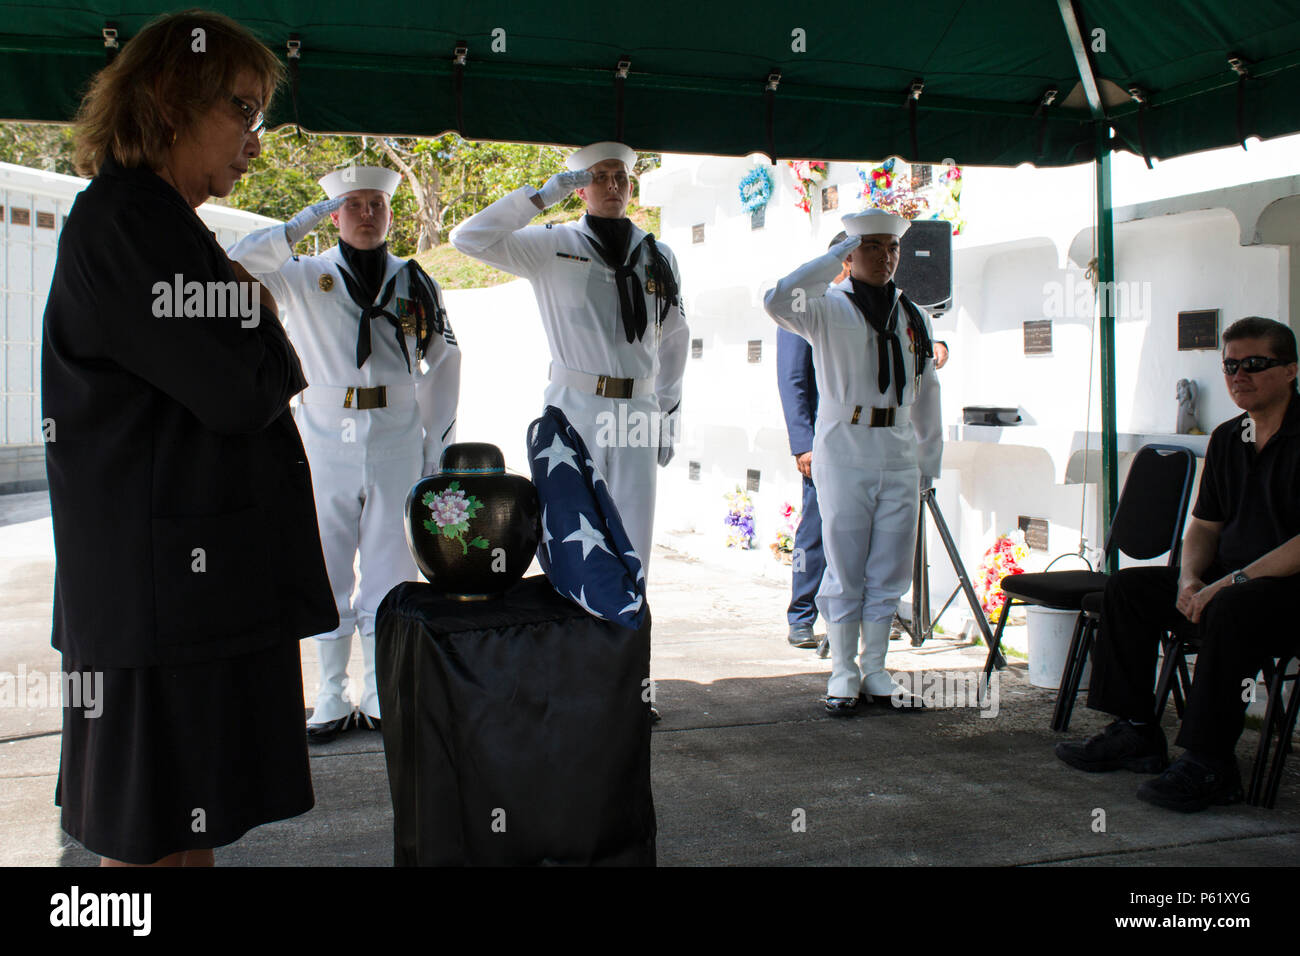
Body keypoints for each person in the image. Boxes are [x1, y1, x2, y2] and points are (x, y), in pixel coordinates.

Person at [42, 10, 337, 865]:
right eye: (241, 111)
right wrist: (263, 310)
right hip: (158, 604)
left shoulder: (158, 220)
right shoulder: (130, 220)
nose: (255, 140)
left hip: (174, 597)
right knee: (151, 843)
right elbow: (239, 388)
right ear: (172, 99)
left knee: (179, 831)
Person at [229, 169, 461, 743]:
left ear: (389, 212)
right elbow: (238, 263)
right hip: (325, 430)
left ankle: (381, 693)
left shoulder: (415, 280)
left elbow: (447, 357)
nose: (365, 213)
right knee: (325, 562)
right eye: (351, 205)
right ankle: (330, 696)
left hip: (395, 429)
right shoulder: (303, 274)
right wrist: (298, 221)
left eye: (376, 203)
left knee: (390, 564)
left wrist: (438, 439)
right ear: (333, 214)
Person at [1056, 316, 1300, 812]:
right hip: (1229, 581)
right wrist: (1190, 579)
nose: (1239, 376)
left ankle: (1211, 763)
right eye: (1230, 365)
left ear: (1291, 370)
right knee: (1129, 588)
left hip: (1288, 591)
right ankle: (1138, 730)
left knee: (1232, 608)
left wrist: (1228, 583)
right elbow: (1205, 527)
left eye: (1255, 364)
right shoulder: (1231, 437)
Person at [449, 142, 687, 581]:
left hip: (638, 410)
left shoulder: (658, 255)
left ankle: (626, 637)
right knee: (575, 533)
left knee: (634, 538)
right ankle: (575, 640)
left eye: (621, 177)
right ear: (579, 189)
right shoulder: (552, 244)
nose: (613, 185)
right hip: (577, 407)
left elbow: (674, 337)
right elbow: (468, 238)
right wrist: (539, 197)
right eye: (599, 176)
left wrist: (668, 412)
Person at [764, 210, 942, 716]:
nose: (885, 257)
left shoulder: (913, 315)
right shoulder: (824, 306)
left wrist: (929, 461)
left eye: (892, 248)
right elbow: (777, 299)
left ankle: (877, 667)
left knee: (890, 564)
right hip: (845, 443)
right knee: (844, 562)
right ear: (850, 252)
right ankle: (843, 669)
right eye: (872, 247)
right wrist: (831, 258)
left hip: (898, 445)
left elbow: (928, 392)